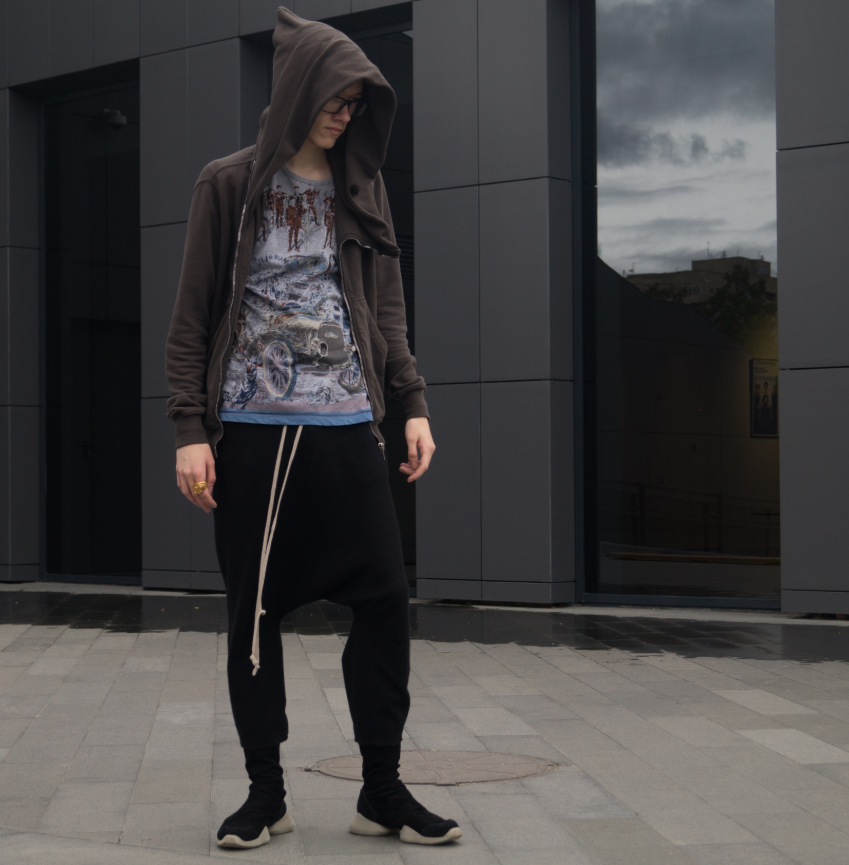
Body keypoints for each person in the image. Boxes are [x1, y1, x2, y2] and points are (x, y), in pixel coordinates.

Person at [164, 7, 461, 851]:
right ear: (299, 89)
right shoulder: (227, 183)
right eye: (336, 98)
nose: (345, 114)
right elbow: (191, 316)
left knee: (385, 601)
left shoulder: (361, 187)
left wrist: (412, 402)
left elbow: (386, 310)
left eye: (357, 103)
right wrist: (189, 426)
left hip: (349, 426)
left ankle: (380, 789)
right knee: (253, 614)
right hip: (253, 432)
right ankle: (266, 792)